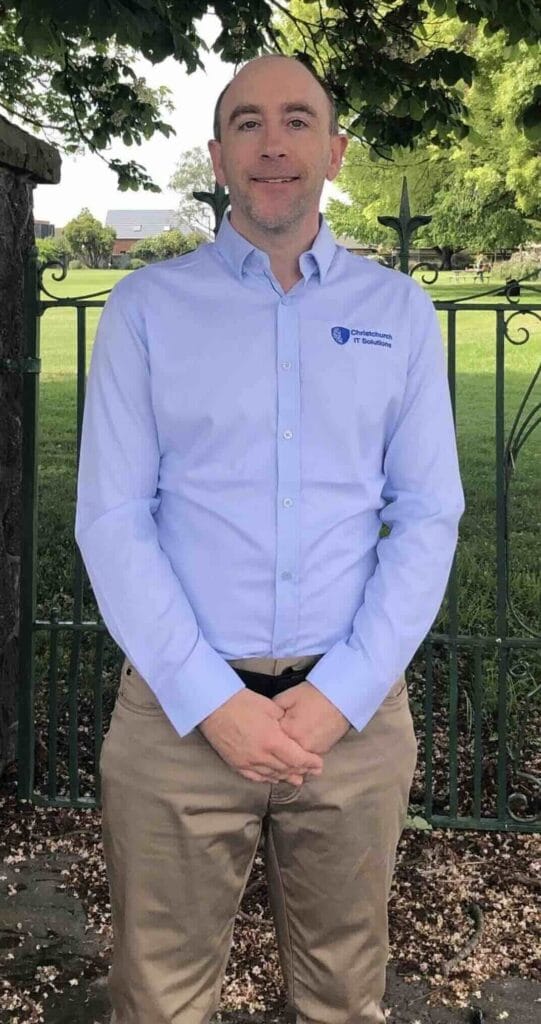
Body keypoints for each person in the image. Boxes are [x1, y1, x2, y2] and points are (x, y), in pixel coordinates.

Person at [75, 54, 465, 1024]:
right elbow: (112, 521)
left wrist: (336, 696)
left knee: (343, 994)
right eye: (246, 123)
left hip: (353, 718)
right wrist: (215, 702)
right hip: (177, 715)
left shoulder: (399, 316)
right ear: (217, 156)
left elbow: (427, 516)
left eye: (297, 120)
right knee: (158, 1000)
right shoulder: (146, 313)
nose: (273, 143)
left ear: (333, 151)